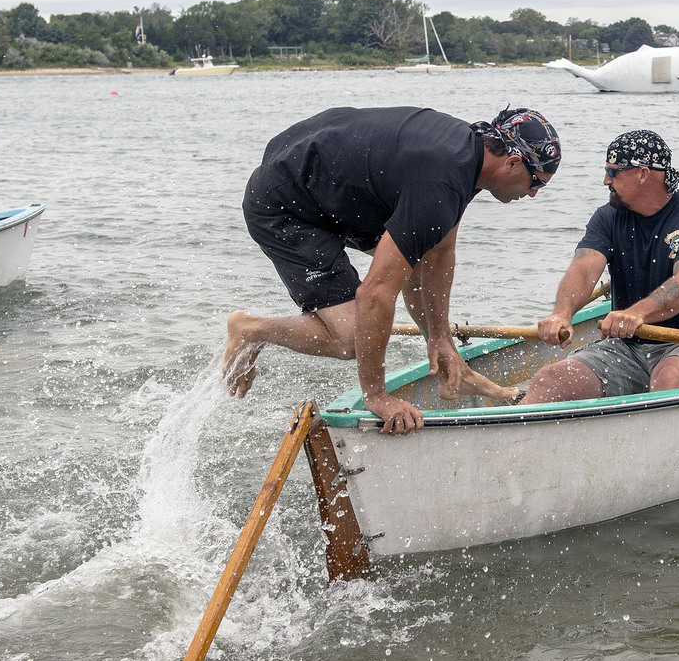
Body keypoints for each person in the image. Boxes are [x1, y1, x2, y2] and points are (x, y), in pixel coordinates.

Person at [222, 105, 562, 435]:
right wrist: (377, 396)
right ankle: (251, 329)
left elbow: (440, 251)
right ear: (513, 162)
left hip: (327, 180)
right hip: (284, 203)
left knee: (416, 257)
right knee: (351, 338)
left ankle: (452, 370)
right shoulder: (440, 186)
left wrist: (440, 337)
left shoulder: (469, 154)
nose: (533, 194)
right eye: (537, 183)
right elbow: (374, 295)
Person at [521, 130, 679, 404]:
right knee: (549, 380)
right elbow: (584, 270)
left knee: (668, 379)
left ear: (643, 174)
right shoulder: (607, 217)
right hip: (626, 347)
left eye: (613, 171)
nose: (605, 180)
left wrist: (635, 314)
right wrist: (561, 314)